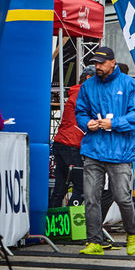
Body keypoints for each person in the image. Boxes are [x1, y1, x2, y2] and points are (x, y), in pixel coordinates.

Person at [74, 46, 135, 255]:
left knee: (122, 197)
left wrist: (113, 124)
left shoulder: (129, 84)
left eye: (101, 63)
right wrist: (87, 124)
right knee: (91, 198)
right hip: (94, 149)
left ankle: (132, 231)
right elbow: (80, 112)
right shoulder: (88, 86)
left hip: (120, 151)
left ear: (113, 62)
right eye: (95, 63)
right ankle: (94, 241)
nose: (97, 67)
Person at [50, 66, 95, 208]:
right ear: (88, 78)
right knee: (81, 188)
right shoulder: (83, 94)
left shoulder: (77, 93)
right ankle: (70, 221)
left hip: (63, 142)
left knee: (60, 188)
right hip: (71, 144)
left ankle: (54, 225)